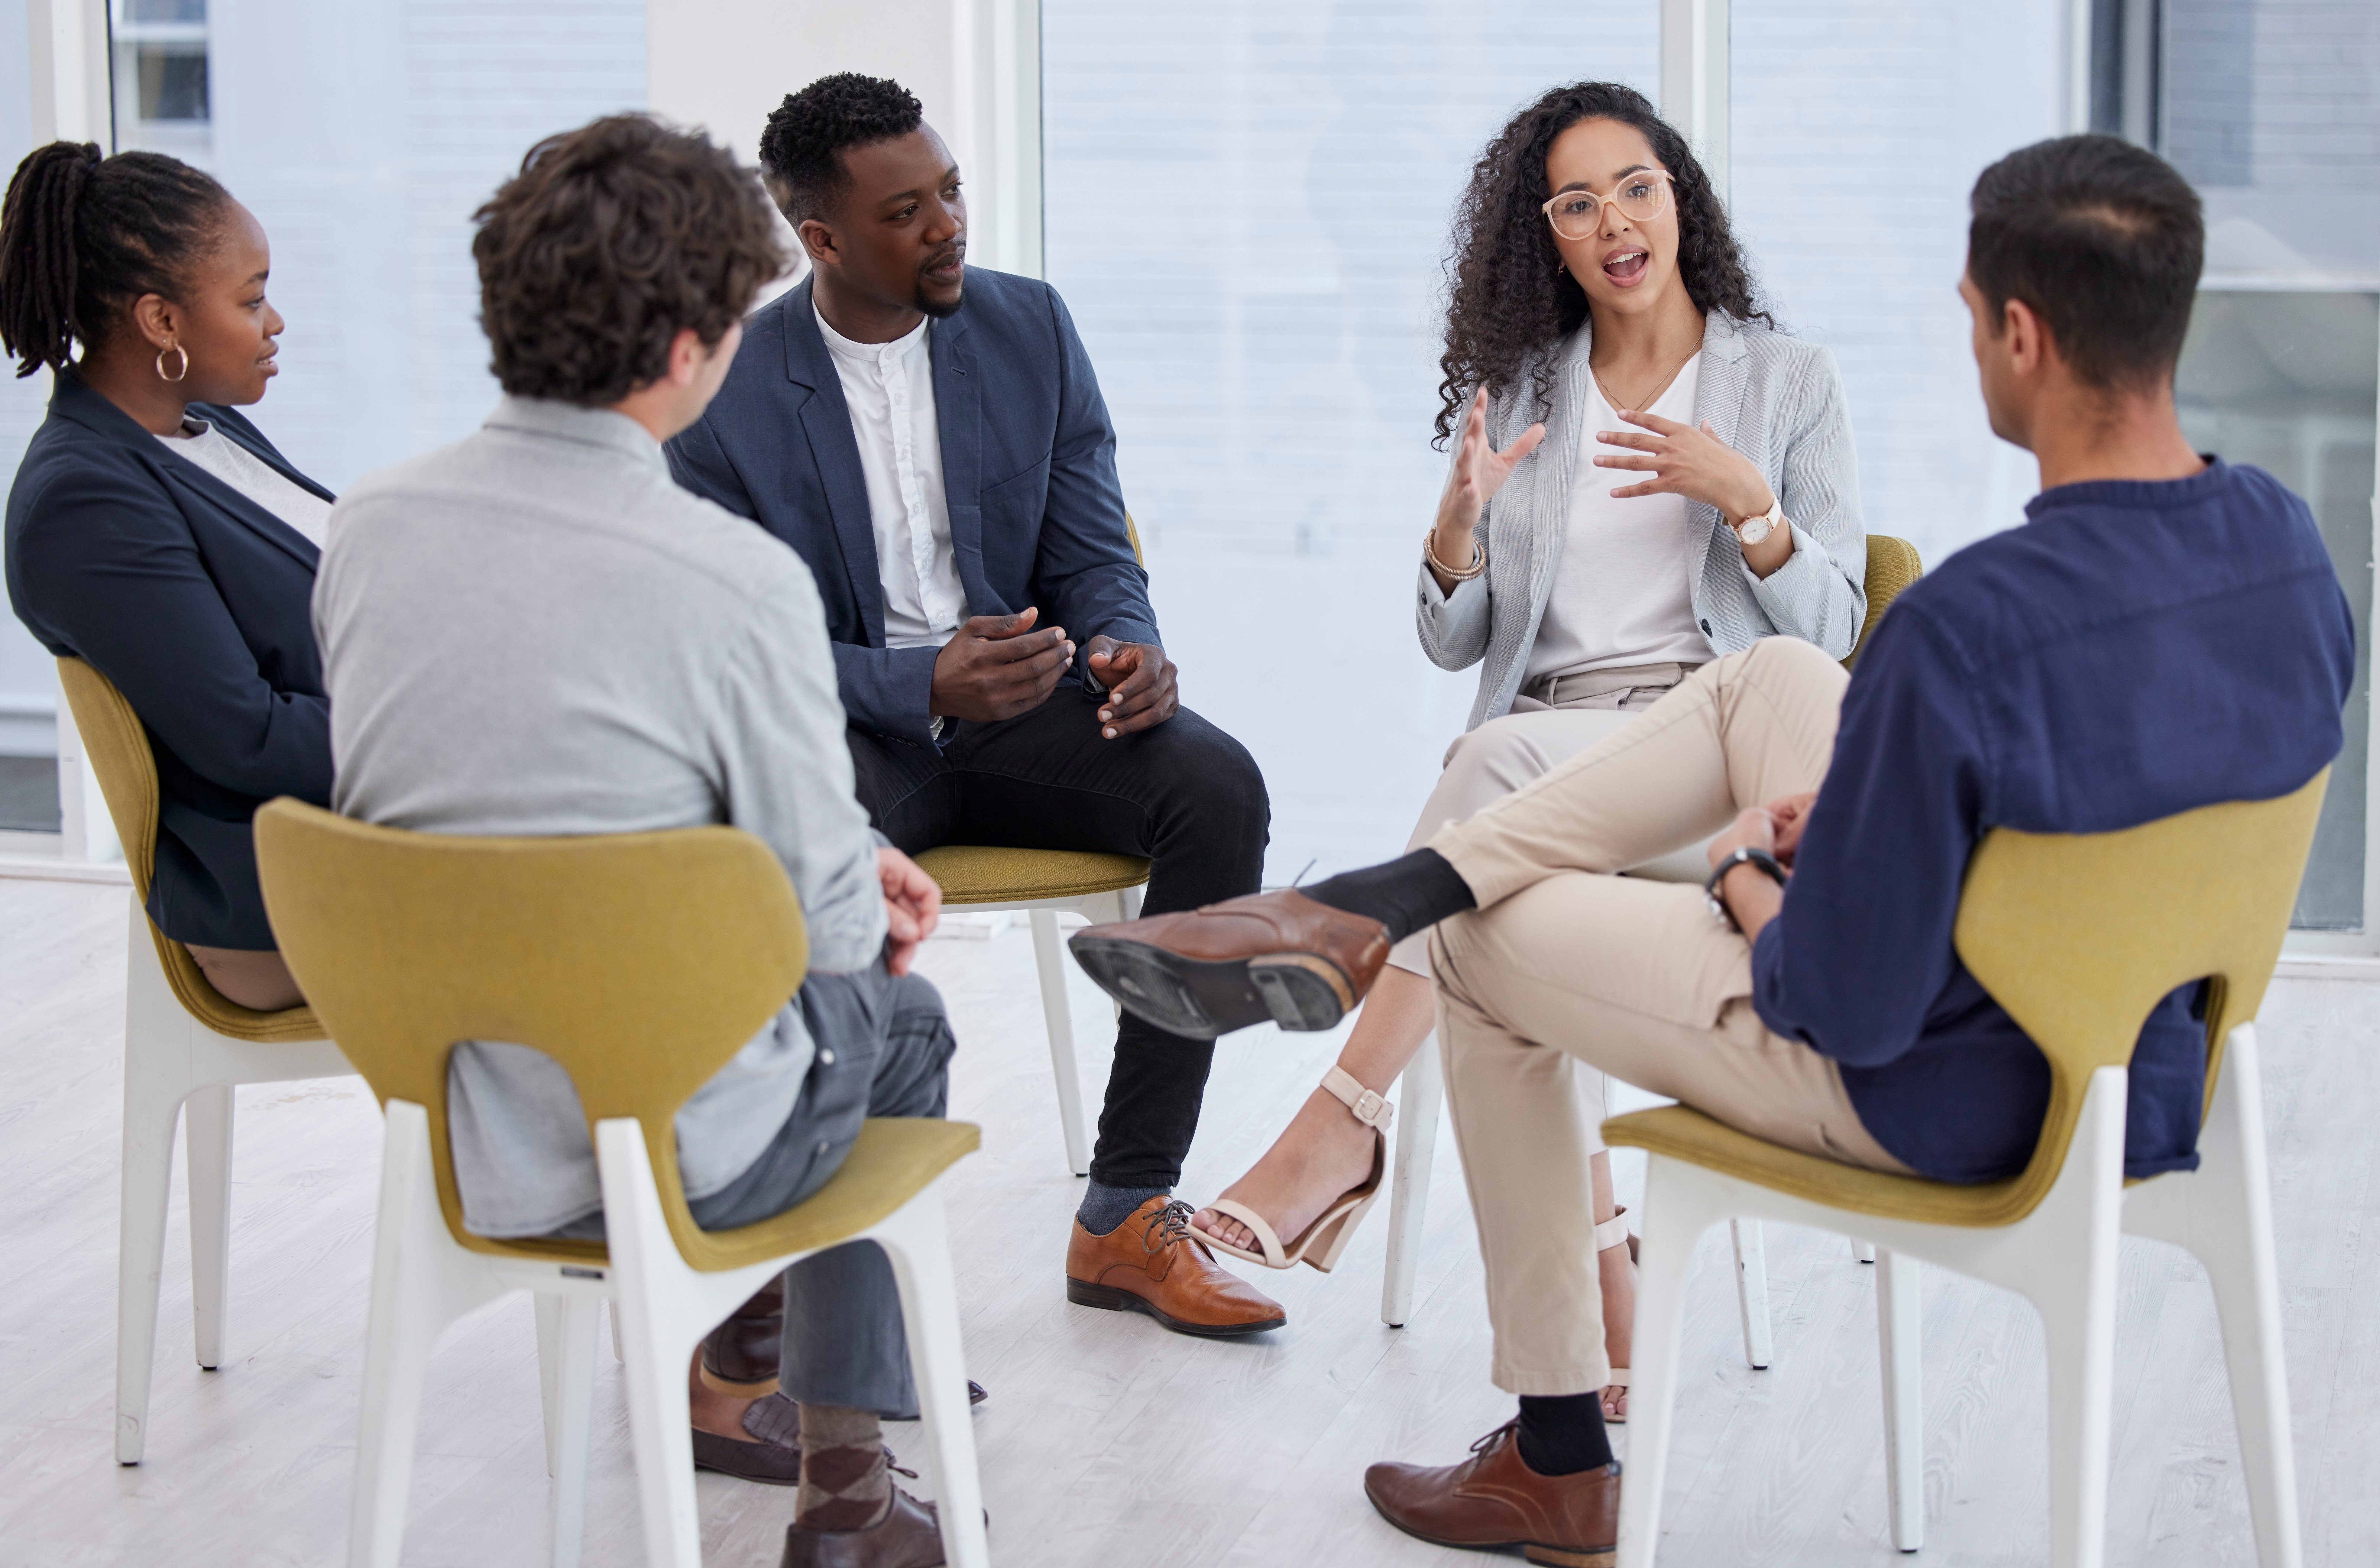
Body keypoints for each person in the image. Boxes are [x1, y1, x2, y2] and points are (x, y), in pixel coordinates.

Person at [1066, 133, 2355, 1563]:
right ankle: (1364, 903)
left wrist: (1750, 868)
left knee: (1480, 941)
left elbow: (1843, 997)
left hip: (1948, 1090)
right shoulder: (2289, 550)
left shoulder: (1970, 626)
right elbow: (2125, 801)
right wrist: (1874, 810)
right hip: (2145, 1064)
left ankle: (1558, 1448)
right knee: (1771, 686)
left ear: (2020, 334)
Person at [314, 115, 963, 1567]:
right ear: (686, 349)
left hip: (469, 1128)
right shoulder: (727, 576)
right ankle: (847, 1490)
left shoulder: (367, 527)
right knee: (902, 1018)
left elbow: (483, 788)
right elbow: (836, 940)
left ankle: (755, 1362)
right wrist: (846, 883)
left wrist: (816, 856)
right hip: (674, 1146)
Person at [1180, 80, 1866, 1421]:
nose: (1612, 223)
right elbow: (1458, 643)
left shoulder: (1784, 381)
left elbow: (1834, 634)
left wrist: (1754, 509)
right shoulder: (1526, 389)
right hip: (1551, 729)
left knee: (1476, 792)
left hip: (1698, 754)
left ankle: (1340, 1122)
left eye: (1635, 189)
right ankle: (1599, 1293)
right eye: (1575, 204)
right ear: (1544, 236)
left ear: (1679, 198)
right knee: (1495, 791)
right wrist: (1452, 538)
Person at [666, 73, 1283, 1339]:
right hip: (844, 728)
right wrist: (914, 678)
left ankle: (1124, 1210)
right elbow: (727, 649)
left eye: (951, 190)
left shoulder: (1029, 328)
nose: (950, 224)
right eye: (909, 210)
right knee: (759, 860)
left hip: (1023, 713)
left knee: (1215, 787)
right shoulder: (726, 391)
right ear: (820, 238)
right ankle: (789, 1261)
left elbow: (1092, 545)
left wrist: (1126, 646)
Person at [3, 143, 335, 1011]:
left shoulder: (204, 428)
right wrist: (438, 735)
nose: (276, 323)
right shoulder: (84, 500)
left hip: (370, 821)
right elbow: (247, 736)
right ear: (161, 322)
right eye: (252, 298)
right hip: (288, 892)